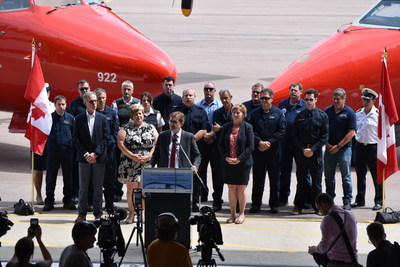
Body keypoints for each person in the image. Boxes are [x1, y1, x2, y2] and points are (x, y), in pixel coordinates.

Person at [117, 104, 158, 224]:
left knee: (144, 189)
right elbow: (120, 143)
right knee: (131, 189)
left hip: (146, 162)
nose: (138, 116)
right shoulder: (126, 127)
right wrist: (133, 156)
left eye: (140, 113)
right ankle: (131, 213)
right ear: (132, 116)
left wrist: (150, 155)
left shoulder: (150, 127)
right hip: (130, 162)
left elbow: (156, 142)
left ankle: (142, 213)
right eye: (136, 114)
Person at [73, 91, 110, 222]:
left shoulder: (103, 118)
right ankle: (82, 213)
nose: (95, 103)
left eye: (95, 101)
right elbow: (76, 139)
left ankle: (98, 213)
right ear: (85, 103)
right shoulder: (78, 119)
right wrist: (86, 154)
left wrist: (96, 153)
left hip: (99, 158)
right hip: (84, 158)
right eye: (91, 101)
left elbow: (106, 138)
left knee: (98, 188)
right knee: (83, 187)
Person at [249, 88, 286, 214]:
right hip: (259, 151)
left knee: (274, 179)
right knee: (258, 179)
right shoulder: (254, 114)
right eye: (262, 98)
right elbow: (251, 131)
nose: (264, 101)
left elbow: (281, 131)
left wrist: (269, 143)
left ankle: (273, 204)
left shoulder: (279, 113)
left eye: (266, 98)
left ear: (272, 99)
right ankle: (256, 204)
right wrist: (259, 142)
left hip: (273, 151)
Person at [292, 89, 328, 215]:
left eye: (311, 99)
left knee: (316, 182)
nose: (308, 102)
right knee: (301, 180)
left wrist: (313, 149)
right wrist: (303, 149)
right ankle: (298, 205)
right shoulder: (300, 116)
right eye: (306, 99)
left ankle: (318, 207)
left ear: (316, 100)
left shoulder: (322, 116)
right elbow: (295, 136)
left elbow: (324, 137)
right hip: (302, 153)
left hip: (316, 153)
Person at [173, 88, 208, 212]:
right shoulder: (177, 112)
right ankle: (182, 201)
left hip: (196, 149)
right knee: (181, 175)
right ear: (182, 97)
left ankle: (194, 202)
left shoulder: (200, 112)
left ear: (194, 97)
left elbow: (204, 129)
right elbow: (173, 127)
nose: (188, 97)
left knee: (195, 176)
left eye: (190, 95)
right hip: (179, 149)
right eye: (186, 95)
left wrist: (190, 140)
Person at [219, 104, 254, 224]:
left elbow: (250, 147)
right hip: (228, 162)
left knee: (241, 187)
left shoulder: (248, 127)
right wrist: (226, 157)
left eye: (238, 113)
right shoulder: (226, 127)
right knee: (231, 187)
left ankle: (242, 214)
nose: (235, 115)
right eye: (233, 113)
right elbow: (221, 145)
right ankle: (232, 214)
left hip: (243, 163)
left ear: (243, 115)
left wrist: (239, 159)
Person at [324, 88, 356, 211]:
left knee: (346, 176)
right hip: (329, 149)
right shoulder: (327, 111)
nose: (336, 101)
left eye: (338, 99)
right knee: (329, 176)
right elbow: (323, 131)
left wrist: (338, 146)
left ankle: (347, 200)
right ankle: (329, 200)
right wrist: (328, 145)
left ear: (344, 99)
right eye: (334, 98)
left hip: (344, 149)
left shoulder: (349, 113)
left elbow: (351, 133)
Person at [150, 111, 201, 186]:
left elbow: (197, 155)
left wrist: (195, 166)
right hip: (165, 174)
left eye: (175, 122)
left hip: (182, 174)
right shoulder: (162, 136)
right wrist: (150, 164)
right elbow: (156, 154)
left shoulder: (189, 137)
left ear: (181, 124)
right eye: (170, 121)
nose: (171, 124)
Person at [43, 95, 75, 212]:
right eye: (59, 104)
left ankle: (68, 201)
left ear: (66, 105)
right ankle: (49, 201)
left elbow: (75, 135)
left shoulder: (71, 119)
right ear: (55, 105)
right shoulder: (50, 118)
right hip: (53, 152)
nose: (61, 107)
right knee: (51, 177)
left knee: (68, 178)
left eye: (63, 104)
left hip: (67, 152)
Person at [308, 193, 359, 267]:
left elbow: (324, 247)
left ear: (324, 204)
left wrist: (314, 249)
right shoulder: (350, 214)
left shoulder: (327, 219)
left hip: (337, 262)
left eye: (319, 208)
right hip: (353, 260)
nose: (320, 212)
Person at [278, 82, 308, 207]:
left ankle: (304, 199)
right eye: (291, 90)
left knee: (302, 173)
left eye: (295, 90)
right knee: (284, 172)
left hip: (299, 144)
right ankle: (283, 197)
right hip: (285, 144)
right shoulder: (283, 104)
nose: (293, 92)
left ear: (301, 92)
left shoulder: (304, 105)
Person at [352, 88, 382, 211]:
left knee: (376, 176)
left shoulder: (378, 114)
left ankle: (379, 200)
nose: (364, 101)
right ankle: (360, 199)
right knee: (360, 175)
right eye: (363, 99)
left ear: (373, 101)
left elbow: (383, 132)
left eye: (367, 100)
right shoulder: (358, 113)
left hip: (373, 147)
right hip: (360, 147)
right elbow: (354, 129)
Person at [196, 82, 222, 203]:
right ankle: (203, 194)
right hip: (202, 143)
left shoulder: (220, 105)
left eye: (211, 89)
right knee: (201, 170)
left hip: (215, 143)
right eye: (206, 89)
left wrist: (212, 135)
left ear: (214, 91)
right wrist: (204, 136)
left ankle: (217, 197)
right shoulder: (198, 106)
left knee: (217, 171)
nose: (208, 91)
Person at [95, 88, 119, 212]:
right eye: (99, 98)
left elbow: (116, 132)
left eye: (103, 97)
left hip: (109, 152)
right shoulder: (92, 113)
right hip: (96, 153)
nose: (101, 100)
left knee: (110, 181)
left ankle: (109, 204)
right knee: (95, 181)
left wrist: (106, 144)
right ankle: (95, 204)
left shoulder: (111, 113)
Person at [67, 80, 91, 204]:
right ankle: (75, 195)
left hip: (92, 145)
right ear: (78, 91)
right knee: (76, 172)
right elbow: (71, 125)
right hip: (78, 146)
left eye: (86, 88)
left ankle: (90, 197)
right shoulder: (74, 105)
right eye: (82, 89)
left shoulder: (93, 103)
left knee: (92, 174)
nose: (85, 91)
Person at [209, 88, 233, 211]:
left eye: (226, 98)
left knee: (234, 178)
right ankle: (217, 201)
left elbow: (235, 128)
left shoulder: (236, 111)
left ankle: (235, 203)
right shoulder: (217, 113)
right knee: (217, 177)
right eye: (222, 98)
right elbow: (216, 129)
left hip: (234, 149)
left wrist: (222, 128)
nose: (224, 100)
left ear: (231, 98)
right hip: (219, 149)